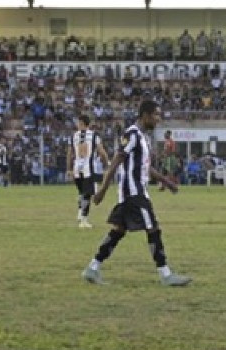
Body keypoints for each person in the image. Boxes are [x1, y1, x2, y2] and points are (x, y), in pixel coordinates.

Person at [82, 101, 191, 286]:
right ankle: (166, 274)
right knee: (153, 229)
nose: (158, 119)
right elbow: (116, 161)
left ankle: (92, 268)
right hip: (134, 193)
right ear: (145, 115)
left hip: (133, 194)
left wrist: (167, 182)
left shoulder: (143, 138)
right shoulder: (132, 134)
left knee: (118, 231)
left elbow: (146, 168)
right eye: (156, 115)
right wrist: (102, 190)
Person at [68, 114, 110, 228]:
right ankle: (84, 219)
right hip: (88, 169)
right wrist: (107, 164)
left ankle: (80, 211)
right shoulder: (94, 136)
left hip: (77, 169)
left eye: (78, 122)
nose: (77, 124)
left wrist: (69, 169)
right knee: (87, 195)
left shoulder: (74, 136)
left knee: (82, 193)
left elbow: (70, 154)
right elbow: (101, 151)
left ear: (81, 123)